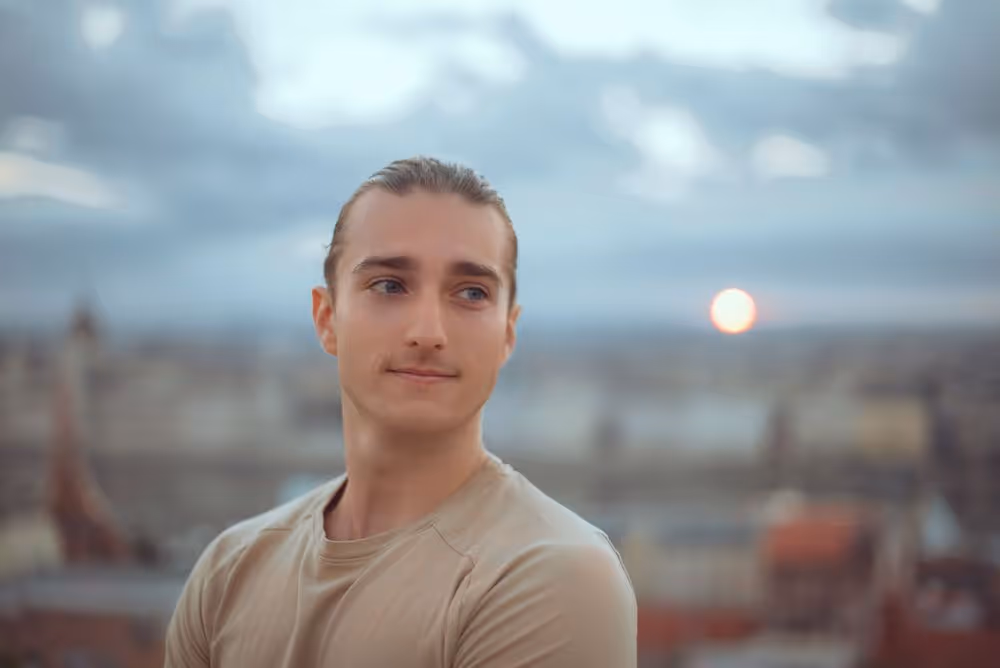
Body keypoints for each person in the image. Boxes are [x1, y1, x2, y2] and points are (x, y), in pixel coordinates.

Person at [164, 156, 637, 667]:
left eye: (472, 292)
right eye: (389, 285)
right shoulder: (228, 570)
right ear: (327, 318)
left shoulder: (552, 575)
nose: (428, 331)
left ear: (508, 333)